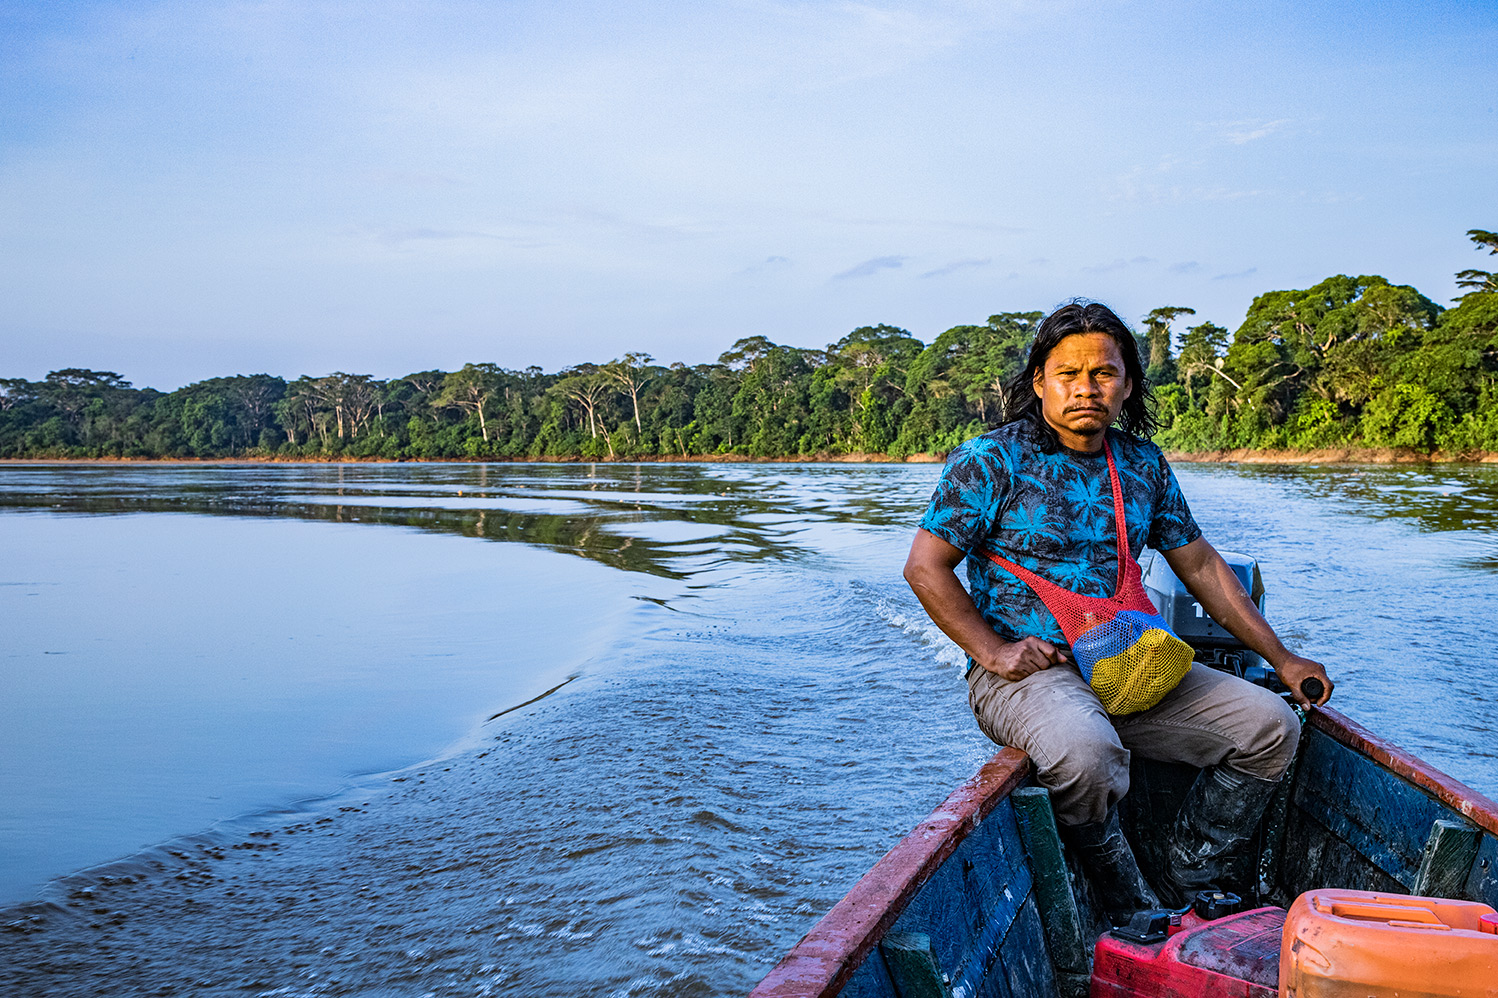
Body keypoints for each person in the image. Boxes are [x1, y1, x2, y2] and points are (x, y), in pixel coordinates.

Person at [902, 300, 1334, 923]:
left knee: (1271, 727)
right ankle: (1124, 896)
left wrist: (1283, 658)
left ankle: (1189, 868)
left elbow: (1203, 567)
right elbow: (925, 567)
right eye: (1067, 374)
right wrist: (994, 652)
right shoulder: (990, 461)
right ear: (1039, 383)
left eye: (1103, 373)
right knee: (1086, 753)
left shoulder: (1142, 465)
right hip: (1030, 676)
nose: (1086, 388)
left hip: (1130, 664)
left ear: (1127, 384)